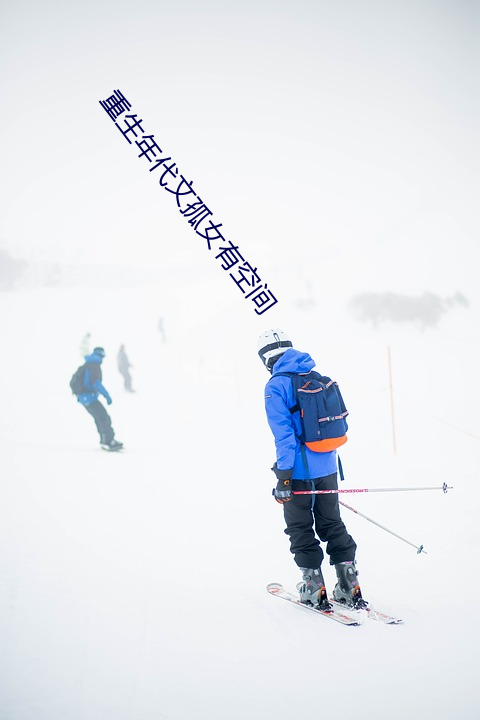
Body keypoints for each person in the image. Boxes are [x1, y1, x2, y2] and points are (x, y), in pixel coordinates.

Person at [258, 328, 366, 610]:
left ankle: (313, 587)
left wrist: (284, 477)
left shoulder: (275, 386)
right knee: (331, 523)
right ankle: (349, 585)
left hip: (298, 472)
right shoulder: (316, 377)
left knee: (300, 527)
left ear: (266, 358)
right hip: (328, 466)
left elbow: (284, 437)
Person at [76, 346, 123, 451]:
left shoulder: (89, 363)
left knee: (100, 418)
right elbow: (96, 383)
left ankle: (104, 440)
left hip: (85, 398)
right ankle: (108, 441)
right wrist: (107, 396)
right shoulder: (94, 365)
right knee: (104, 418)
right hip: (89, 398)